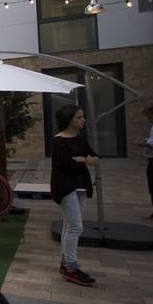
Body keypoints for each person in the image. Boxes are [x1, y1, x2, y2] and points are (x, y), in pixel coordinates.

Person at [50, 104, 99, 286]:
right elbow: (68, 166)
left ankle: (65, 264)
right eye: (79, 117)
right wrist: (83, 161)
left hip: (80, 186)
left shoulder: (80, 139)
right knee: (75, 227)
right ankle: (71, 267)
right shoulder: (58, 141)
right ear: (69, 119)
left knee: (69, 225)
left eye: (82, 117)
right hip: (65, 187)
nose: (83, 120)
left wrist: (83, 159)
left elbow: (95, 158)